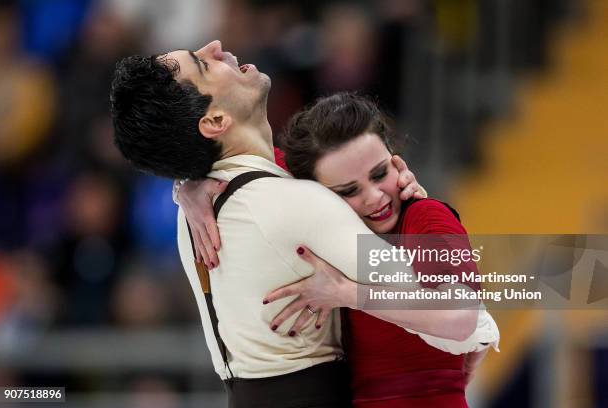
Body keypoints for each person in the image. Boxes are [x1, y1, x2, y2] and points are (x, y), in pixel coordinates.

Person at [110, 40, 497, 408]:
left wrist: (186, 181)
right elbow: (461, 312)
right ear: (213, 120)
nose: (214, 47)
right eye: (203, 63)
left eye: (379, 174)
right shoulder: (299, 203)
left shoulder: (199, 205)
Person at [179, 93, 499, 407]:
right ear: (316, 195)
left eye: (380, 173)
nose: (375, 197)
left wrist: (347, 293)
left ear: (396, 160)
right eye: (349, 191)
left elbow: (461, 317)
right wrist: (190, 187)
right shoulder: (323, 212)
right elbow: (233, 163)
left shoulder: (426, 216)